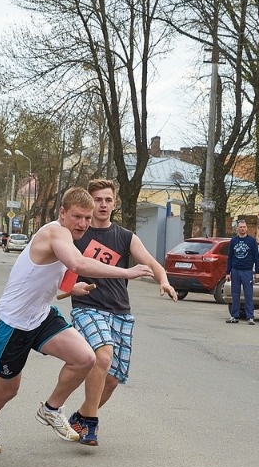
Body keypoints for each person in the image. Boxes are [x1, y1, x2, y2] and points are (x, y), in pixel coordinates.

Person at [0, 187, 154, 454]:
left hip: (42, 317)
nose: (83, 224)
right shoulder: (55, 232)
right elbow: (78, 264)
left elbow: (50, 285)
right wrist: (126, 272)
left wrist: (72, 290)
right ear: (62, 213)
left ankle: (51, 409)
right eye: (77, 217)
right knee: (8, 390)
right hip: (11, 323)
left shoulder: (67, 238)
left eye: (87, 218)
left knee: (85, 358)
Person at [66, 179, 177, 446]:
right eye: (98, 200)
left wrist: (163, 280)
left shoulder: (125, 237)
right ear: (89, 203)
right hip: (88, 308)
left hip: (120, 311)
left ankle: (80, 417)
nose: (102, 205)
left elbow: (151, 263)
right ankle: (91, 425)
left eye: (108, 200)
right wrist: (70, 288)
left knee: (113, 379)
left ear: (115, 204)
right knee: (102, 357)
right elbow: (60, 275)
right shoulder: (77, 235)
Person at [225, 220, 259, 325]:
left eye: (244, 227)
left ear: (247, 228)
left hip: (247, 271)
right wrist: (228, 272)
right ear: (237, 229)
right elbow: (230, 257)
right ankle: (234, 316)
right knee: (235, 294)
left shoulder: (252, 241)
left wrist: (257, 271)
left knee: (248, 294)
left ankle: (250, 317)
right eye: (240, 227)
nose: (242, 229)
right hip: (235, 270)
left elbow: (256, 257)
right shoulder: (233, 241)